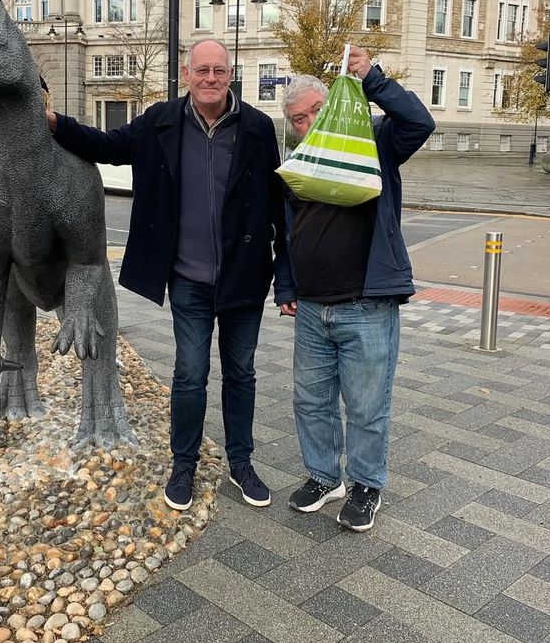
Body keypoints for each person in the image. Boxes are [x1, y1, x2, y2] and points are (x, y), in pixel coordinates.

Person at [46, 39, 293, 512]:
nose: (211, 79)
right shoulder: (161, 121)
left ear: (230, 75)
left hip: (243, 277)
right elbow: (108, 146)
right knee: (190, 373)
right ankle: (185, 465)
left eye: (219, 71)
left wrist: (287, 279)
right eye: (202, 70)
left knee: (241, 373)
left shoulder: (258, 129)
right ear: (186, 73)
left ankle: (242, 464)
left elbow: (281, 207)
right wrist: (55, 123)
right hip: (188, 279)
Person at [280, 46, 435, 532]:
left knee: (367, 405)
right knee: (311, 400)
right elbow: (285, 231)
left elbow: (419, 123)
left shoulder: (374, 141)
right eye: (298, 119)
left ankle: (367, 485)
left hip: (367, 303)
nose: (307, 124)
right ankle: (324, 477)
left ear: (332, 108)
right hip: (311, 307)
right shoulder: (299, 165)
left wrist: (372, 78)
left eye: (314, 113)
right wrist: (286, 283)